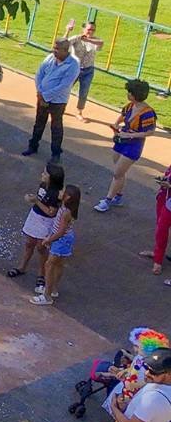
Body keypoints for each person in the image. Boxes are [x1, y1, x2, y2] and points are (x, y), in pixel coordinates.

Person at [95, 79, 158, 213]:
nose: (127, 94)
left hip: (133, 145)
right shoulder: (130, 106)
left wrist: (130, 135)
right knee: (120, 171)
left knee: (117, 173)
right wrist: (116, 124)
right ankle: (118, 197)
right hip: (122, 141)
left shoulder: (148, 113)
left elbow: (150, 132)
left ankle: (107, 200)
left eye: (129, 92)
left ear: (135, 95)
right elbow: (122, 116)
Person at [7, 163, 64, 297]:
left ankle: (41, 274)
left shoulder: (56, 194)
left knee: (41, 248)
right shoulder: (43, 186)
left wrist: (36, 201)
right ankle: (22, 266)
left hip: (45, 222)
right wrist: (33, 198)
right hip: (35, 217)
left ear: (52, 178)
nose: (42, 175)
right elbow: (40, 199)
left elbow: (51, 213)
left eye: (45, 173)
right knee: (29, 243)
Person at [22, 38, 81, 162]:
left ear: (65, 50)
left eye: (57, 49)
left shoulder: (73, 65)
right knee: (39, 123)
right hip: (42, 97)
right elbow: (39, 74)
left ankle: (56, 154)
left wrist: (45, 96)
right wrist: (40, 92)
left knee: (56, 127)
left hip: (58, 102)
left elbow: (64, 85)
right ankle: (33, 146)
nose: (54, 50)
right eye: (54, 47)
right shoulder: (50, 58)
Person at [30, 184, 80, 305]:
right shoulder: (65, 208)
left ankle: (47, 295)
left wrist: (49, 239)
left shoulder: (65, 212)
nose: (60, 192)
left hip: (61, 240)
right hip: (65, 239)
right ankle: (53, 289)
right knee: (58, 264)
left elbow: (61, 231)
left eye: (63, 191)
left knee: (49, 264)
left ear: (67, 197)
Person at [111, 348, 171, 422]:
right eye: (146, 368)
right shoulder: (159, 384)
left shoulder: (154, 399)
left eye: (153, 372)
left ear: (168, 374)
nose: (147, 373)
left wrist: (114, 407)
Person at [65, 18, 104, 122]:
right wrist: (67, 31)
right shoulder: (76, 38)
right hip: (74, 68)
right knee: (66, 88)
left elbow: (101, 43)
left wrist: (89, 40)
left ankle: (79, 112)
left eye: (93, 30)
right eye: (89, 29)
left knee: (84, 92)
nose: (91, 32)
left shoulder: (95, 40)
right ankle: (60, 106)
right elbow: (63, 43)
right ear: (83, 29)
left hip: (88, 70)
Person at [142, 165, 171, 277]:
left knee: (162, 228)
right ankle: (158, 257)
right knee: (161, 228)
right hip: (166, 199)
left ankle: (158, 259)